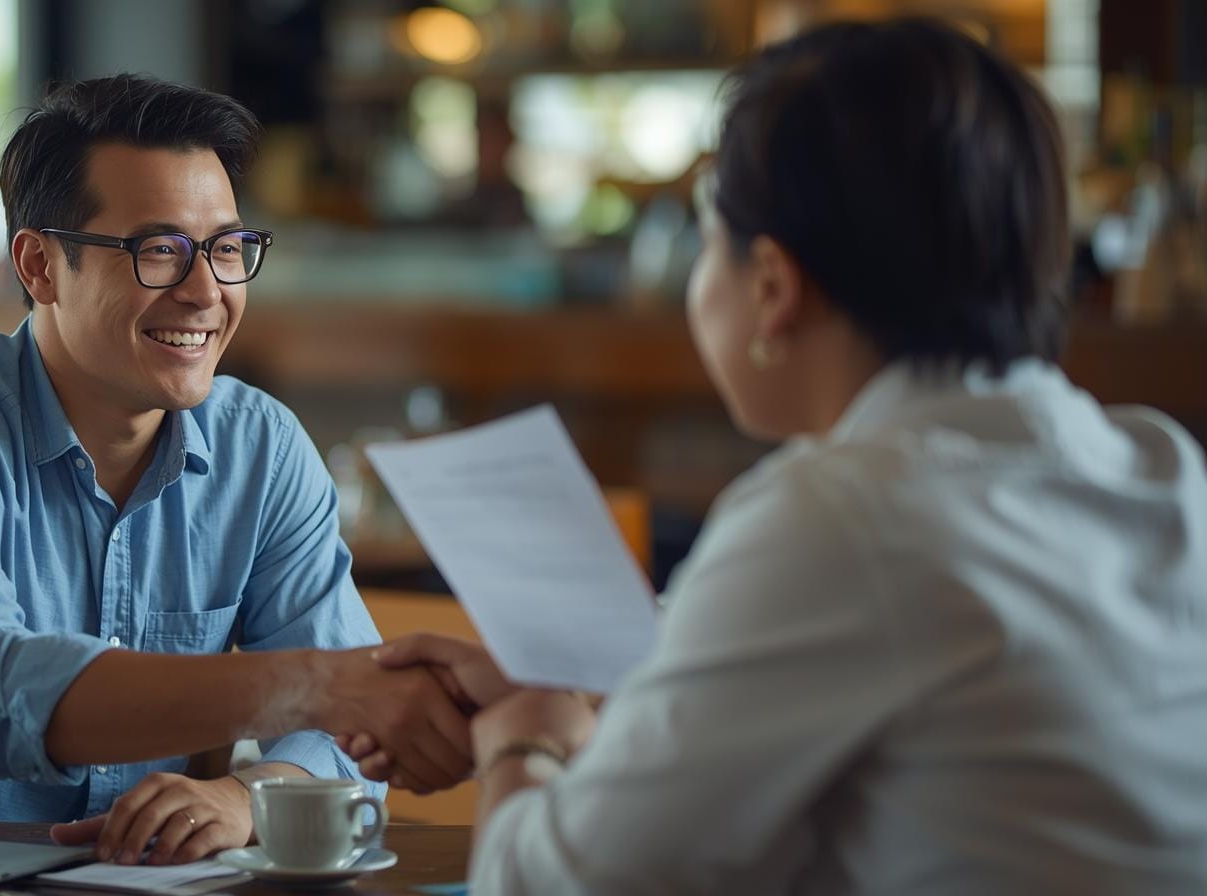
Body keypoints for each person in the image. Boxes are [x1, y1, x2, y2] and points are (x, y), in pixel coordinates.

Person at [342, 19, 1207, 894]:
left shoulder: (842, 513)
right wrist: (587, 686)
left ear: (771, 287)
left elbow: (548, 884)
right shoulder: (1154, 465)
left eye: (707, 235)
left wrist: (526, 736)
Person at [0, 75, 472, 866]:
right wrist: (315, 683)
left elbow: (348, 747)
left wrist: (245, 797)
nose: (206, 293)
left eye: (226, 249)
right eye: (159, 251)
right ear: (40, 265)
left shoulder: (261, 450)